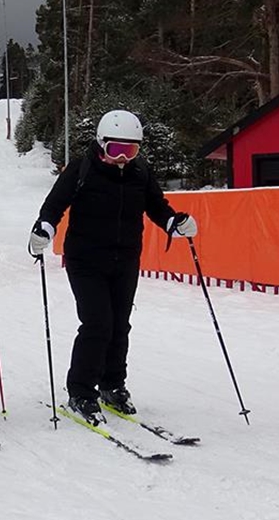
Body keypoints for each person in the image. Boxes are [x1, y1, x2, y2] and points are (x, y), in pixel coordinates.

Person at [28, 109, 198, 426]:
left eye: (130, 151)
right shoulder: (81, 169)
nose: (122, 159)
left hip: (126, 259)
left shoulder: (140, 173)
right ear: (101, 144)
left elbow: (158, 207)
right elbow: (53, 207)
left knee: (120, 325)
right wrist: (43, 230)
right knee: (97, 324)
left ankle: (111, 384)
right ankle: (80, 390)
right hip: (84, 260)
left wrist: (175, 224)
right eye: (116, 150)